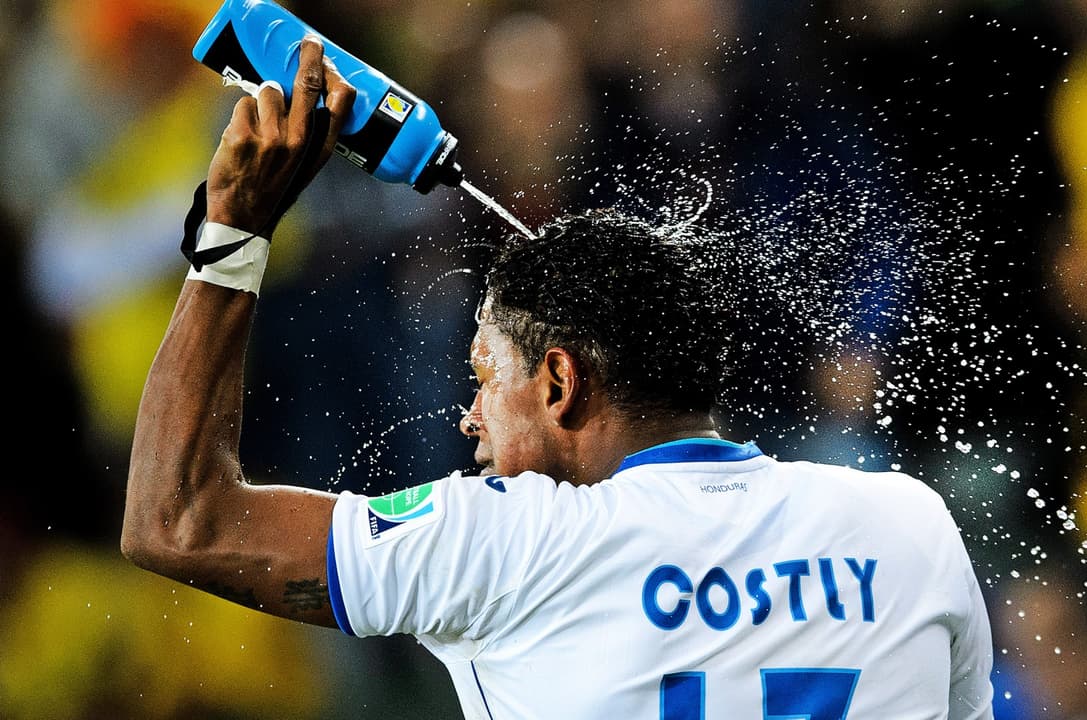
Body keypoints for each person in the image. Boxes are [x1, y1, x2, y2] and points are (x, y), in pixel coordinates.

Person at [121, 37, 995, 718]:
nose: (469, 417)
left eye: (483, 377)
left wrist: (233, 235)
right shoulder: (908, 522)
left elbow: (177, 522)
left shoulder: (506, 543)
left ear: (558, 384)